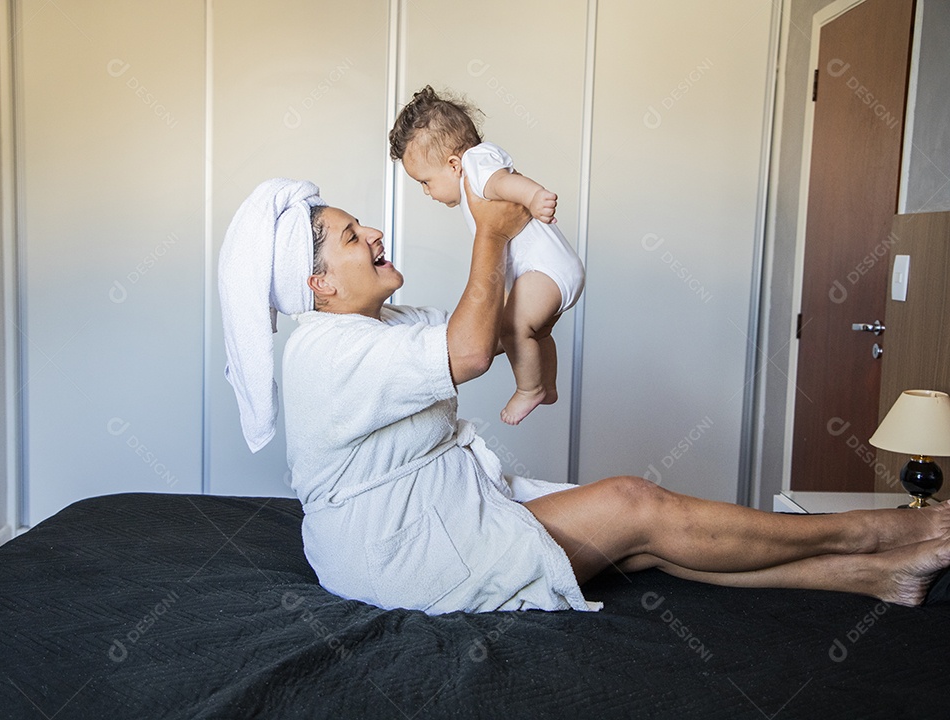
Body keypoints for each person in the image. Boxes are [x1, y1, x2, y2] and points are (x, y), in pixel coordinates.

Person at [218, 177, 950, 617]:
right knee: (635, 505)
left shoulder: (386, 323)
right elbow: (468, 353)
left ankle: (873, 575)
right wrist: (489, 237)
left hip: (436, 513)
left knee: (643, 545)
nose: (375, 233)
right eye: (353, 236)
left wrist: (542, 265)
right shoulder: (324, 351)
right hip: (399, 550)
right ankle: (873, 533)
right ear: (320, 284)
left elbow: (490, 331)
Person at [389, 86, 585, 425]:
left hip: (547, 270)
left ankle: (530, 389)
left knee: (511, 328)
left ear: (453, 164)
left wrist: (533, 195)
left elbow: (501, 183)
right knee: (537, 332)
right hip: (549, 270)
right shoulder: (471, 171)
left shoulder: (475, 164)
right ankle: (548, 386)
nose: (425, 191)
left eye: (425, 181)